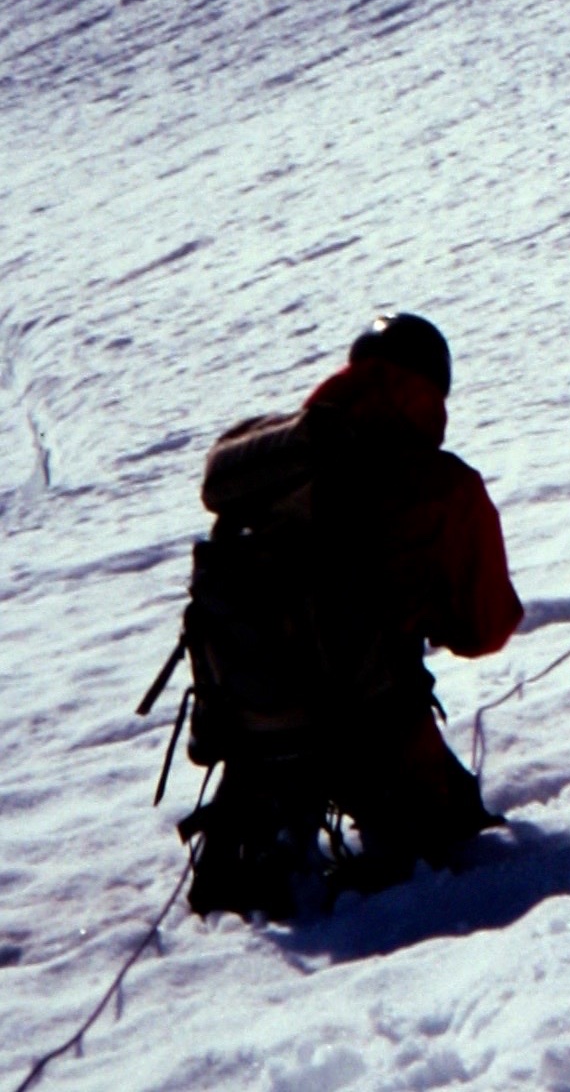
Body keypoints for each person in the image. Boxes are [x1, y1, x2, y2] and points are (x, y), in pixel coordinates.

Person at [181, 311, 523, 917]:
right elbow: (485, 627)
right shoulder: (444, 487)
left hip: (255, 715)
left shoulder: (281, 462)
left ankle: (261, 848)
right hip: (373, 718)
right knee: (451, 824)